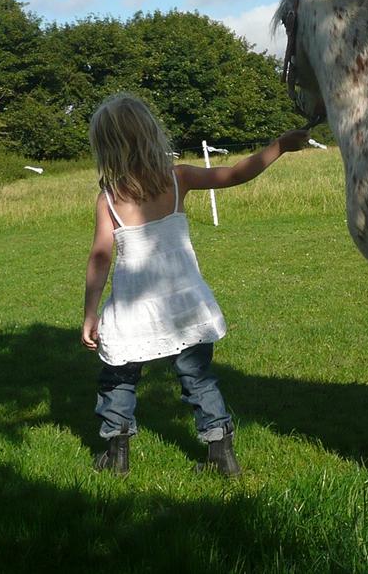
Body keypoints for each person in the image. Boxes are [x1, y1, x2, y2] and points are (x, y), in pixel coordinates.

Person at [82, 93, 310, 476]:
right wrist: (280, 146)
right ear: (151, 134)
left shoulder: (108, 200)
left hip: (133, 311)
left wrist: (91, 313)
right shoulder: (179, 178)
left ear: (106, 147)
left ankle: (116, 455)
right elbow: (235, 174)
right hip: (186, 306)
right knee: (199, 379)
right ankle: (222, 456)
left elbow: (100, 257)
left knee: (118, 377)